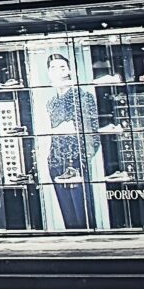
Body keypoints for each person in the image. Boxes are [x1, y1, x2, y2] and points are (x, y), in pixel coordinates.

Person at [40, 51, 97, 231]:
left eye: (62, 67)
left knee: (83, 215)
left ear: (70, 71)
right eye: (53, 68)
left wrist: (81, 161)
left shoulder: (83, 96)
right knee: (69, 217)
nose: (58, 71)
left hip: (75, 162)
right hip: (56, 161)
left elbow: (92, 133)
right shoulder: (51, 102)